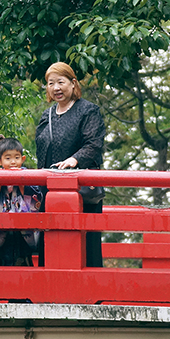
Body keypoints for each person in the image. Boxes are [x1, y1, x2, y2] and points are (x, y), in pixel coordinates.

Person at [34, 61, 106, 267]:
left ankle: (90, 294)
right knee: (50, 239)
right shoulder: (46, 115)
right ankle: (48, 294)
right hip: (50, 190)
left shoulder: (88, 111)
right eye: (50, 83)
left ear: (73, 83)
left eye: (61, 82)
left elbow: (94, 144)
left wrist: (74, 160)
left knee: (85, 243)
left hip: (80, 189)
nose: (56, 88)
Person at [0, 136, 44, 266]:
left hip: (23, 234)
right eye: (8, 158)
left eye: (17, 157)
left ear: (23, 159)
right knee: (0, 264)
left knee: (24, 264)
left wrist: (22, 183)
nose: (13, 162)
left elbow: (36, 200)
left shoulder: (28, 176)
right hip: (0, 231)